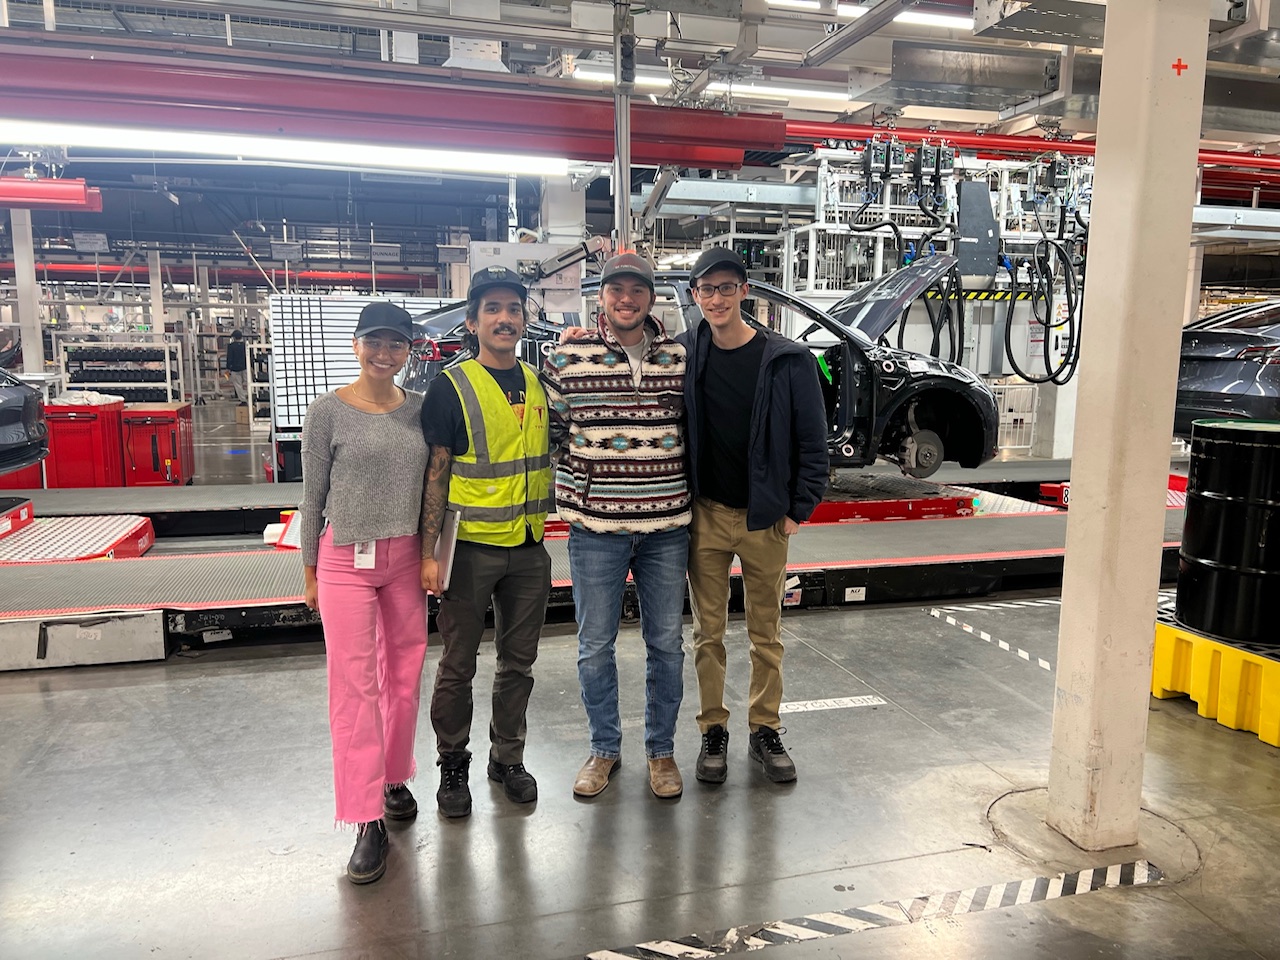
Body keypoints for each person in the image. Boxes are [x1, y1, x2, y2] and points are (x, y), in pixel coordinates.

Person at [543, 253, 691, 800]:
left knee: (667, 645)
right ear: (601, 296)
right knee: (594, 646)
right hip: (595, 528)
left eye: (637, 290)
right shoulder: (567, 355)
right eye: (615, 291)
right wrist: (583, 484)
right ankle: (604, 749)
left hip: (668, 526)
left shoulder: (681, 356)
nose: (626, 300)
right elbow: (552, 431)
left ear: (651, 297)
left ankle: (661, 752)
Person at [678, 247, 829, 785]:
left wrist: (797, 510)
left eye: (725, 288)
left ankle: (764, 728)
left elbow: (814, 442)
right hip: (706, 517)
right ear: (695, 295)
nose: (715, 298)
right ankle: (712, 728)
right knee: (708, 634)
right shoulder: (686, 354)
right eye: (706, 289)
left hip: (766, 520)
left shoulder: (787, 361)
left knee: (766, 633)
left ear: (745, 291)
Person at [299, 301, 429, 885]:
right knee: (355, 685)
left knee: (404, 674)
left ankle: (394, 774)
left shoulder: (421, 413)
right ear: (356, 345)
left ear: (408, 351)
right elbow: (311, 496)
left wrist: (430, 554)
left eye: (396, 344)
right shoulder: (326, 412)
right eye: (374, 341)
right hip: (343, 559)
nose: (384, 353)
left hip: (404, 559)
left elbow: (435, 488)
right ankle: (364, 818)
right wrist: (308, 570)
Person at [419, 265, 553, 819]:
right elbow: (435, 473)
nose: (505, 318)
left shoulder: (538, 381)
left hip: (528, 547)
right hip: (470, 547)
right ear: (472, 322)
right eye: (492, 309)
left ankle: (507, 758)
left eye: (514, 309)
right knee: (458, 665)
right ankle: (453, 764)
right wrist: (430, 555)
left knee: (518, 664)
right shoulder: (450, 386)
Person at [226, 329, 248, 404]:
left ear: (234, 338)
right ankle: (251, 397)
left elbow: (229, 357)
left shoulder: (231, 346)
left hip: (235, 369)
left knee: (238, 385)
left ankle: (243, 400)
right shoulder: (246, 345)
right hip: (245, 367)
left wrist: (228, 368)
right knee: (248, 383)